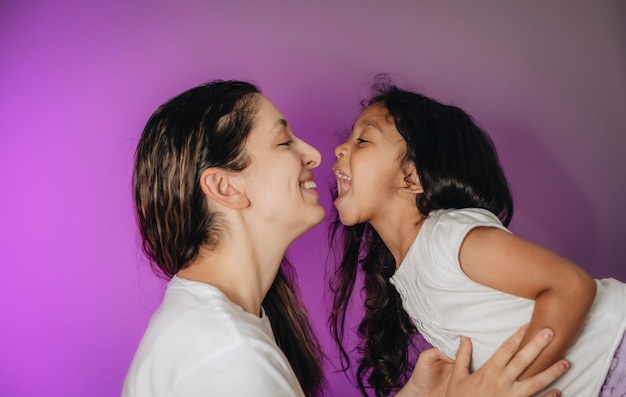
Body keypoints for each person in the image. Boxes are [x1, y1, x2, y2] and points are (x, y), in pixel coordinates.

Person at [122, 79, 567, 397]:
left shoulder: (226, 330)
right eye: (283, 142)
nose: (315, 153)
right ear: (227, 187)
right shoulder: (227, 356)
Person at [329, 75, 626, 396]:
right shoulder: (409, 269)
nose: (340, 148)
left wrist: (509, 385)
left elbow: (570, 285)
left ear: (412, 176)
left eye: (363, 141)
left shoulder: (446, 237)